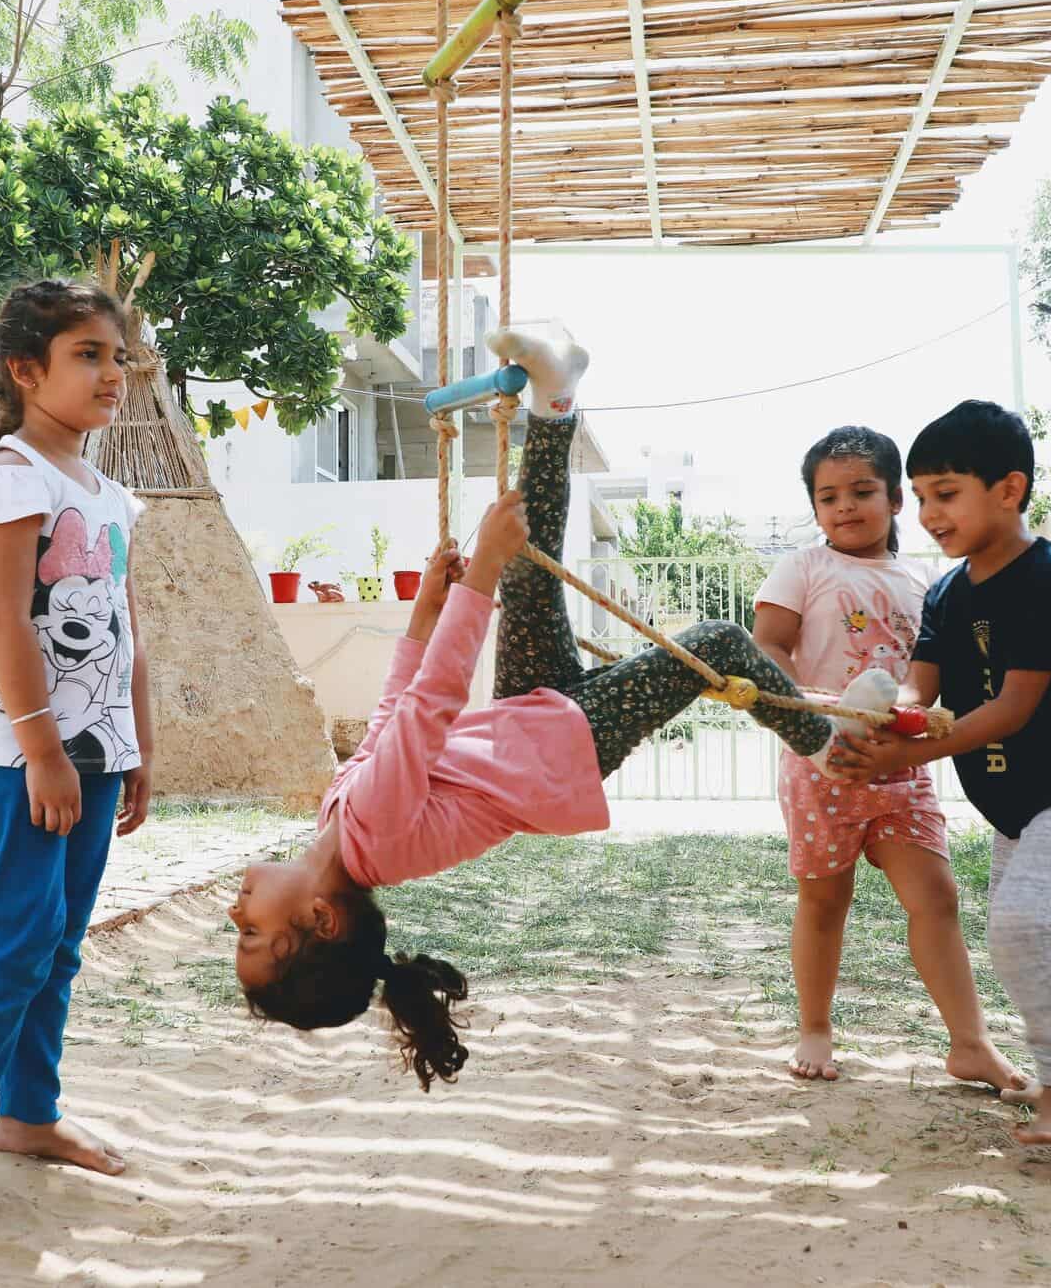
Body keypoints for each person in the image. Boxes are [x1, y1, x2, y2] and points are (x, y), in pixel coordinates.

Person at [229, 326, 884, 1088]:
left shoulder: (342, 823)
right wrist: (477, 579)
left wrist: (424, 615)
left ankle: (556, 397)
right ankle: (828, 746)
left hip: (529, 712)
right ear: (322, 918)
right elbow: (428, 708)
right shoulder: (373, 830)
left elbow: (388, 721)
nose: (236, 913)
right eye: (250, 933)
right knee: (719, 642)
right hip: (567, 745)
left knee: (530, 564)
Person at [0, 279, 157, 1251]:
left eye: (117, 355)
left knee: (59, 938)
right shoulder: (12, 476)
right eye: (88, 354)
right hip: (17, 752)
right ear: (25, 370)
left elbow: (125, 629)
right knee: (13, 940)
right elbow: (4, 620)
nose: (112, 372)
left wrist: (135, 744)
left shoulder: (106, 491)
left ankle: (28, 1115)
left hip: (91, 750)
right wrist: (45, 752)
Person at [835, 399, 1051, 1145]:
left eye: (946, 493)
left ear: (1009, 489)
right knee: (1019, 935)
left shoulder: (1050, 582)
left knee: (1025, 924)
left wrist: (904, 756)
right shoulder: (947, 593)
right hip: (1016, 800)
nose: (929, 514)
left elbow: (1010, 708)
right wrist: (874, 718)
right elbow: (920, 691)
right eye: (922, 496)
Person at [751, 426, 1021, 1092]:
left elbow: (941, 674)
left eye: (862, 491)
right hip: (824, 762)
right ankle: (815, 1027)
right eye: (828, 496)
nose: (845, 505)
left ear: (897, 499)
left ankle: (970, 1044)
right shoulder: (804, 567)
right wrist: (814, 725)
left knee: (937, 896)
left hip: (901, 763)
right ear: (815, 509)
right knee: (824, 899)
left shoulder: (930, 581)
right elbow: (768, 645)